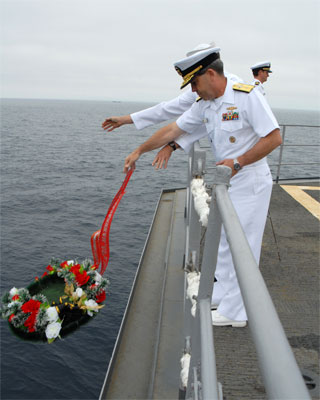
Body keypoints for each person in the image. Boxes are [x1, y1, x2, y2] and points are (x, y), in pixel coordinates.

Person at [122, 47, 282, 327]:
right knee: (223, 239)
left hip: (249, 178)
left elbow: (274, 137)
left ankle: (237, 311)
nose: (193, 90)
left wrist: (239, 162)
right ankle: (222, 292)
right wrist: (139, 150)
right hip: (228, 180)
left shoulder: (246, 95)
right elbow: (173, 129)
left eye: (194, 83)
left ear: (210, 74)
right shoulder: (207, 103)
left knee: (243, 246)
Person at [102, 43, 243, 166]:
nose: (193, 88)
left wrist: (173, 145)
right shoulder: (201, 92)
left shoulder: (237, 92)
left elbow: (207, 124)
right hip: (228, 169)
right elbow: (167, 110)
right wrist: (125, 120)